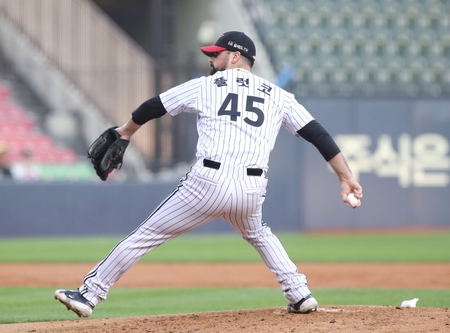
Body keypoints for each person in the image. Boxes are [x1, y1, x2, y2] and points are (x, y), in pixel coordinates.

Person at [54, 31, 363, 317]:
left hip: (207, 183)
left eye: (217, 54)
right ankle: (300, 294)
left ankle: (89, 294)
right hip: (251, 188)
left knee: (146, 235)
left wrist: (126, 131)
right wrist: (345, 176)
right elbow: (317, 134)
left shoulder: (205, 85)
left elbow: (155, 105)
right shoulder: (279, 96)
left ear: (235, 57)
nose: (211, 60)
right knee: (259, 233)